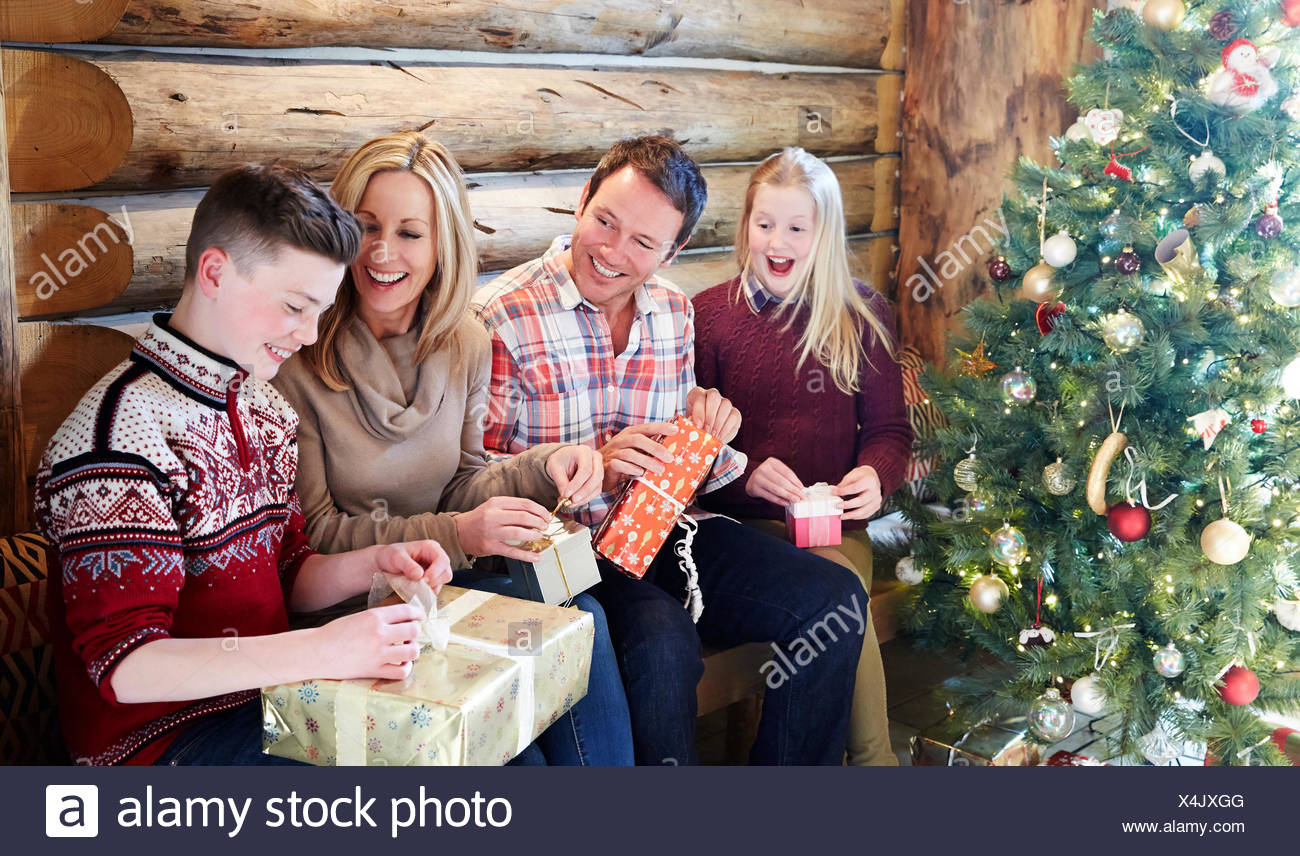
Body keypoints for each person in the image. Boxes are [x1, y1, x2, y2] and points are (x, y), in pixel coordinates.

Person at [33, 164, 452, 766]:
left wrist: (374, 564)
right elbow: (127, 667)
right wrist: (321, 651)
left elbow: (289, 573)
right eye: (293, 306)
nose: (309, 335)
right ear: (214, 273)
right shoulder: (116, 438)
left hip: (269, 710)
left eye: (319, 311)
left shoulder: (267, 410)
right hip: (160, 750)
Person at [471, 135, 865, 765]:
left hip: (660, 534)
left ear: (674, 249)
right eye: (606, 221)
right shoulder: (503, 317)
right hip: (563, 558)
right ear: (582, 202)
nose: (612, 252)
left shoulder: (673, 314)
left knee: (834, 599)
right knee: (661, 638)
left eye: (644, 243)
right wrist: (592, 460)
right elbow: (471, 485)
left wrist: (713, 437)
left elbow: (687, 467)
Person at [272, 131, 634, 765]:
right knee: (520, 758)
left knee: (585, 623)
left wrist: (543, 470)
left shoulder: (464, 338)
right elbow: (315, 538)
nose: (382, 252)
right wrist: (462, 532)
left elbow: (463, 481)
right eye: (366, 226)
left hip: (442, 595)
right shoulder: (296, 352)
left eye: (411, 233)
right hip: (348, 619)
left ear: (443, 246)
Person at [692, 147, 914, 766]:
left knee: (836, 577)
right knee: (835, 593)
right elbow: (693, 460)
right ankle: (875, 767)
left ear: (824, 233)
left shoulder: (863, 313)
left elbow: (890, 430)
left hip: (834, 530)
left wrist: (877, 474)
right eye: (765, 224)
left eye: (797, 227)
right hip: (743, 533)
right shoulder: (706, 319)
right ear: (745, 228)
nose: (778, 242)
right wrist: (744, 476)